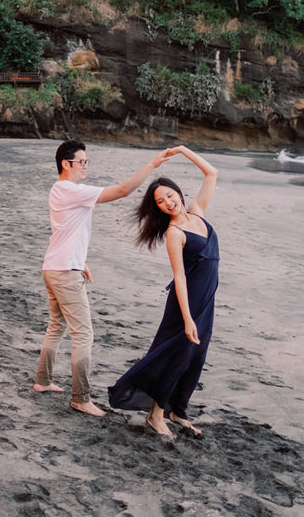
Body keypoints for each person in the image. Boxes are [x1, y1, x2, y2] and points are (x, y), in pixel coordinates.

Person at [34, 140, 174, 417]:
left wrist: (80, 262)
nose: (86, 166)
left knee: (56, 326)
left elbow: (63, 230)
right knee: (83, 333)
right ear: (67, 164)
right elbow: (122, 191)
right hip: (64, 271)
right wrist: (153, 165)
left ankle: (43, 381)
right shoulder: (72, 190)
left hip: (54, 266)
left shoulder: (58, 190)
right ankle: (81, 398)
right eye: (82, 161)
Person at [107, 145, 219, 439]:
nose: (167, 202)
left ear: (179, 194)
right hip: (187, 303)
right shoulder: (174, 233)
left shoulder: (197, 213)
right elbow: (180, 277)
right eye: (160, 201)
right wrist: (187, 319)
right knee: (176, 356)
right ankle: (155, 415)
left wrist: (183, 150)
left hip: (206, 300)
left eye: (170, 195)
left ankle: (176, 411)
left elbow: (211, 173)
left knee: (197, 357)